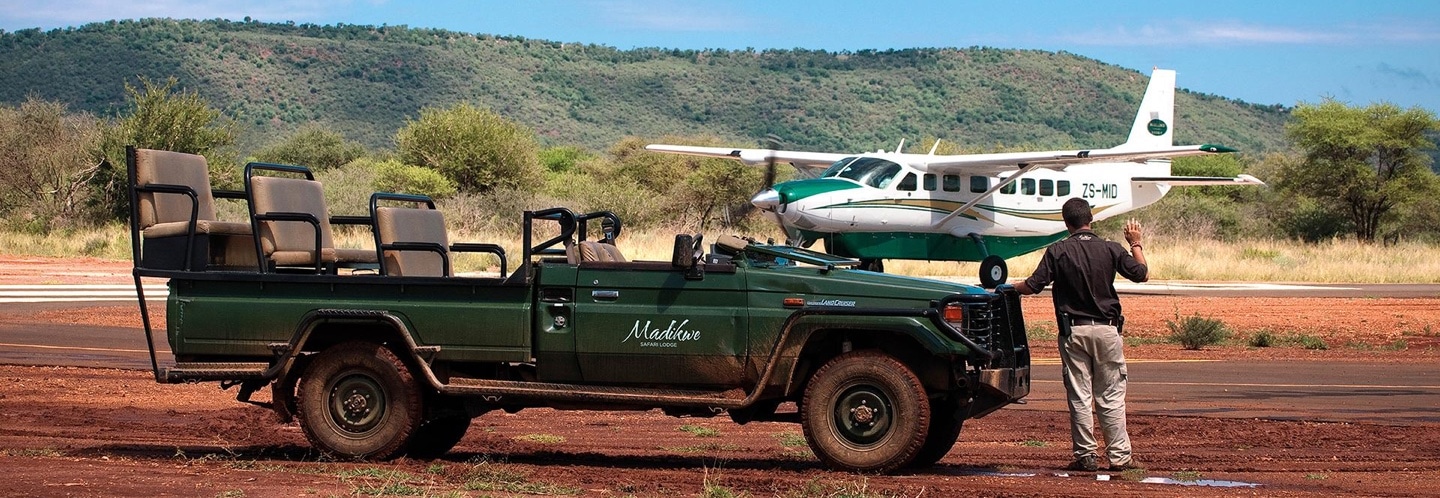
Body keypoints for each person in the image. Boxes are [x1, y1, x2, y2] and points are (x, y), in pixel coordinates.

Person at [1014, 197, 1148, 472]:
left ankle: (1086, 455)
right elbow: (1142, 274)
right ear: (1091, 220)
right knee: (1110, 395)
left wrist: (1008, 288)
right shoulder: (1111, 249)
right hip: (1108, 330)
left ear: (1066, 223)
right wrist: (1135, 243)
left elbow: (1032, 285)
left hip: (1073, 331)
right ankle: (1120, 458)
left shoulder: (1058, 251)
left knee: (1079, 394)